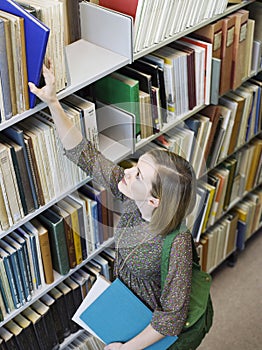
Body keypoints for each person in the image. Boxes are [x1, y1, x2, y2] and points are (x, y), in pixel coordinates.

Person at [29, 62, 199, 350]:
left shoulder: (176, 244)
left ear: (154, 201)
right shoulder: (133, 198)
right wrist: (53, 102)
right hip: (125, 311)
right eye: (135, 165)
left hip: (147, 333)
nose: (127, 172)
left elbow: (171, 318)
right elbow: (84, 154)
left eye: (138, 175)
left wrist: (127, 349)